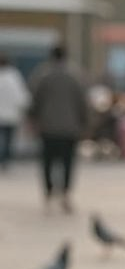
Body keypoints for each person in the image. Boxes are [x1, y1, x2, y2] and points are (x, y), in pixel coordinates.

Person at [28, 43, 90, 210]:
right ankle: (65, 193)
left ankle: (48, 193)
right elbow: (83, 103)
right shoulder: (76, 75)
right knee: (68, 162)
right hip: (70, 128)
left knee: (47, 161)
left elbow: (34, 101)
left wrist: (33, 120)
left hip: (48, 127)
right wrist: (85, 124)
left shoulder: (42, 74)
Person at [0, 53, 29, 169]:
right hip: (10, 115)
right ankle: (5, 160)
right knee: (8, 139)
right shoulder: (14, 77)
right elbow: (21, 96)